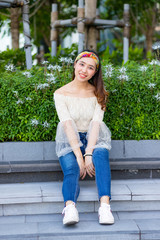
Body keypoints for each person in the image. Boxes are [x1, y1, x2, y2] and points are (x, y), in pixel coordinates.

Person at [53, 50, 114, 225]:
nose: (84, 70)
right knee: (72, 167)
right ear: (74, 65)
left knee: (101, 154)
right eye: (82, 64)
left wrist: (88, 154)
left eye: (90, 68)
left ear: (95, 72)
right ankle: (70, 207)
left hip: (93, 137)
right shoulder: (60, 93)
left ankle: (104, 207)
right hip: (69, 139)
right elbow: (67, 125)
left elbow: (96, 124)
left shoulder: (99, 93)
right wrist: (79, 157)